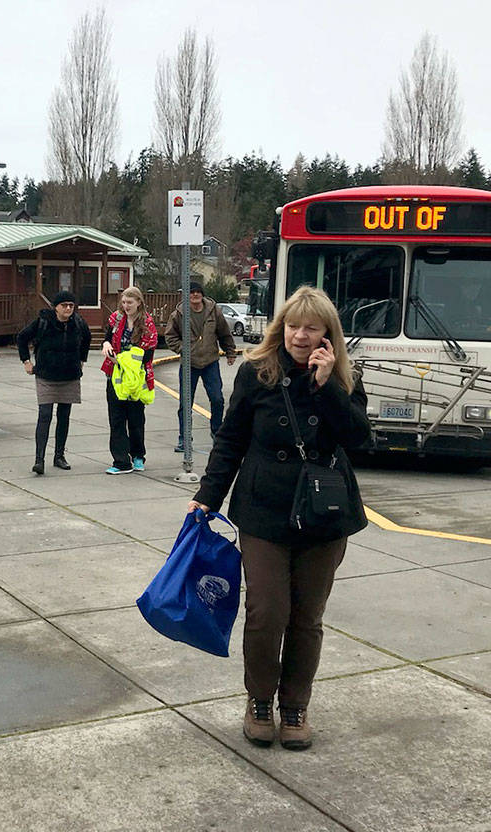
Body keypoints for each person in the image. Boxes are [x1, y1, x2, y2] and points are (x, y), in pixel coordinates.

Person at [188, 285, 370, 750]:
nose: (300, 336)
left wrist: (327, 386)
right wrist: (208, 495)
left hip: (324, 513)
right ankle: (259, 701)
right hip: (265, 510)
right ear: (280, 327)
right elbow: (231, 438)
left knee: (307, 617)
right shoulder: (257, 372)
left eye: (311, 328)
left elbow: (359, 438)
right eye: (292, 326)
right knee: (267, 612)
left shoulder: (344, 376)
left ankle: (295, 706)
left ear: (328, 333)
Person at [17, 290, 92, 476]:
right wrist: (26, 361)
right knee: (45, 415)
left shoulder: (78, 323)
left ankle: (59, 456)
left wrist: (82, 360)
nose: (68, 309)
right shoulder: (43, 322)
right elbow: (22, 337)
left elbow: (87, 339)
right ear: (55, 307)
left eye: (71, 305)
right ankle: (39, 460)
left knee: (64, 416)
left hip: (69, 376)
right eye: (64, 305)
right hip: (46, 375)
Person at [165, 281, 237, 452]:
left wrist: (230, 352)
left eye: (198, 292)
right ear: (187, 295)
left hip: (210, 362)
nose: (195, 295)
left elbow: (224, 333)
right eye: (191, 292)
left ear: (202, 294)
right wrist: (183, 349)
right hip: (189, 364)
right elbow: (170, 336)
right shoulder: (179, 314)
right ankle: (184, 438)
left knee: (217, 399)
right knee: (185, 403)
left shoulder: (214, 311)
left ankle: (216, 433)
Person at [101, 286, 158, 474]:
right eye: (124, 302)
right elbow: (107, 337)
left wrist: (121, 360)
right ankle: (120, 461)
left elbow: (146, 355)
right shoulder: (116, 319)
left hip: (136, 377)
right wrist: (106, 344)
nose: (126, 306)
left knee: (135, 419)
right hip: (115, 375)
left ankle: (138, 455)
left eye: (130, 302)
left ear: (139, 302)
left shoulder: (147, 324)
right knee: (116, 419)